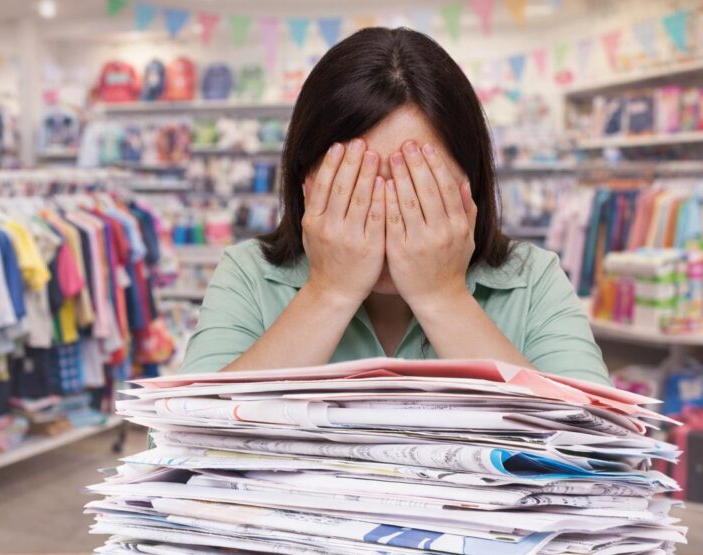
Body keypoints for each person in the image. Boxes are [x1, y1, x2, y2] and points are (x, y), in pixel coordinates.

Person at [181, 27, 609, 385]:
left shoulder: (532, 281)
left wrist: (443, 297)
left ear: (470, 184)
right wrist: (328, 292)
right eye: (356, 182)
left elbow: (605, 462)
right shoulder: (249, 274)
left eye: (418, 183)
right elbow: (176, 448)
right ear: (306, 183)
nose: (387, 212)